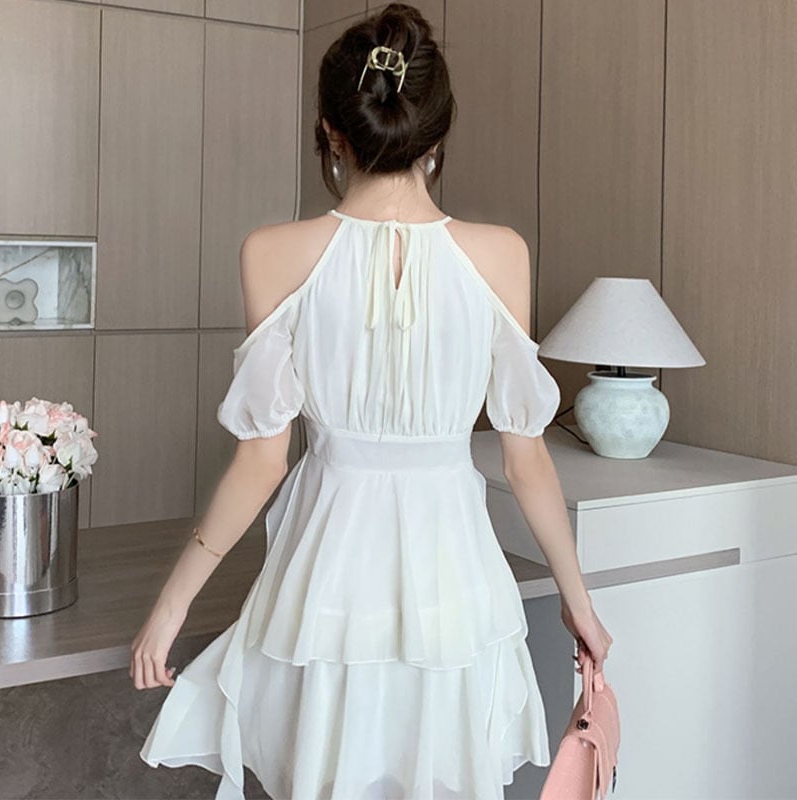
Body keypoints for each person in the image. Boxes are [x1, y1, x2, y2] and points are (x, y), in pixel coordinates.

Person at [131, 4, 612, 798]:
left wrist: (172, 602)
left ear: (331, 134)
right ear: (437, 133)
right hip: (455, 582)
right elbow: (526, 463)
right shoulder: (501, 255)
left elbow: (262, 462)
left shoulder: (272, 253)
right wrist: (578, 602)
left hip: (325, 580)